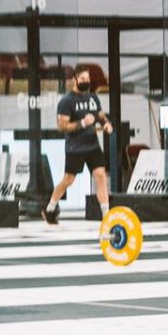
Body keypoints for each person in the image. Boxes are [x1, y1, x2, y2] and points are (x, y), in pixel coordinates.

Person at [44, 68, 113, 223]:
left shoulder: (93, 98)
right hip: (75, 147)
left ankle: (106, 215)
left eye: (87, 79)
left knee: (100, 176)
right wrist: (82, 123)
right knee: (68, 180)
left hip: (93, 145)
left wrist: (107, 124)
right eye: (82, 78)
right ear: (75, 79)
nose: (85, 82)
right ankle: (50, 208)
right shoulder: (66, 101)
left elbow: (101, 116)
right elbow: (62, 126)